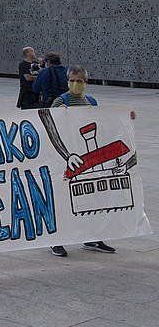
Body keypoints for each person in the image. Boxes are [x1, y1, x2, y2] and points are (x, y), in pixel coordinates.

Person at [43, 65, 117, 257]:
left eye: (79, 81)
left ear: (86, 82)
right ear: (68, 81)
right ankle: (56, 241)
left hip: (88, 159)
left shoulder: (91, 101)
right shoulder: (61, 101)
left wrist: (125, 118)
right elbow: (50, 128)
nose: (75, 84)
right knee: (64, 201)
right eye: (72, 80)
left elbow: (102, 124)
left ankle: (92, 238)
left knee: (91, 200)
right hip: (67, 159)